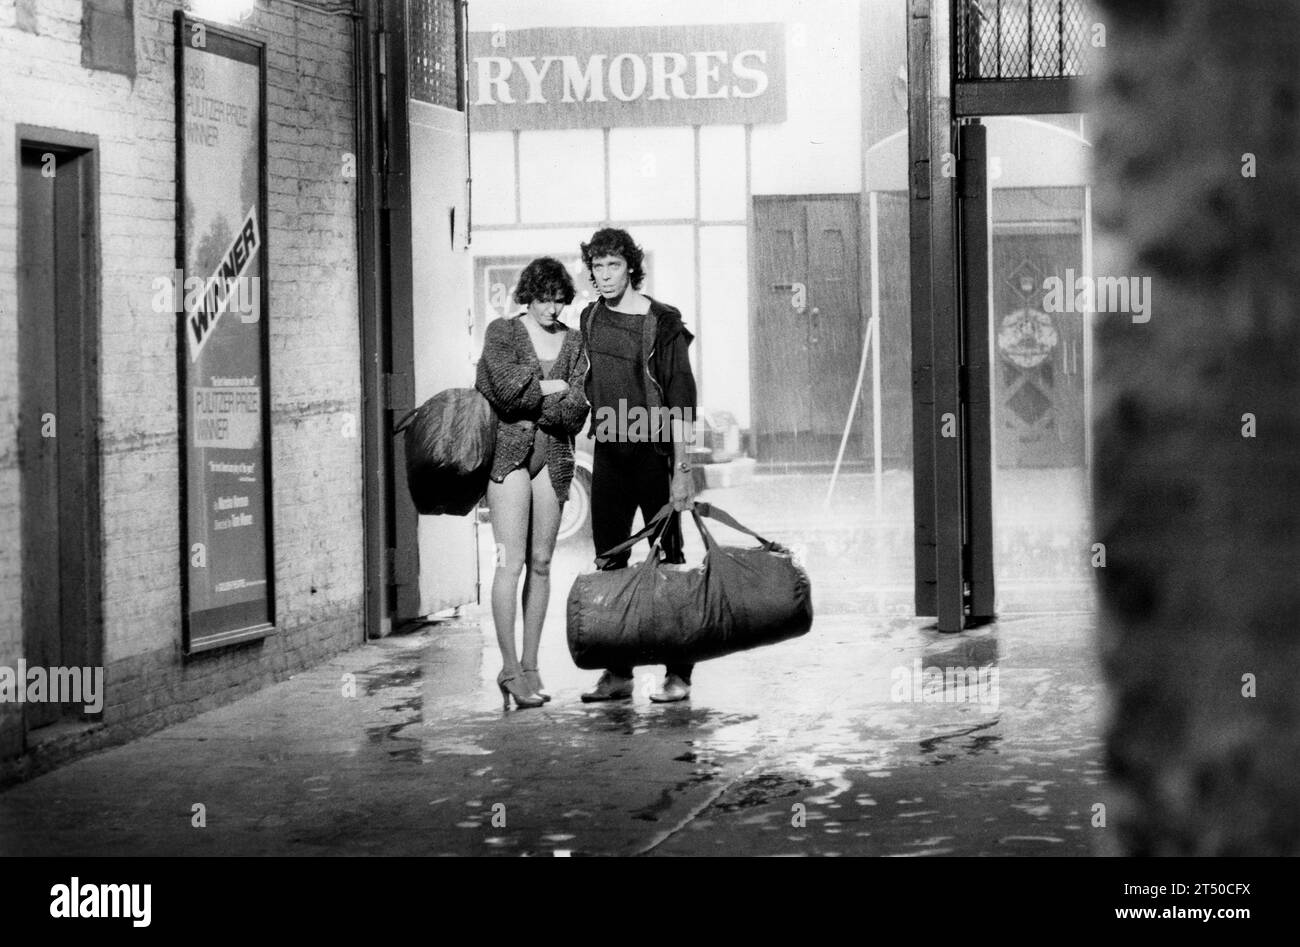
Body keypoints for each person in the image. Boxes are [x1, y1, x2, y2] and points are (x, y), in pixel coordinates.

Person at [576, 228, 699, 704]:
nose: (603, 276)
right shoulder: (589, 319)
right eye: (597, 267)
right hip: (610, 452)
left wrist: (682, 468)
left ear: (630, 266)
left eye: (612, 266)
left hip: (654, 454)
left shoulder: (661, 321)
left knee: (669, 562)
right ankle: (618, 673)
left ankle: (679, 674)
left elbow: (682, 397)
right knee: (609, 562)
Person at [475, 257, 590, 709]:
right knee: (511, 562)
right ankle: (508, 668)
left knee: (542, 563)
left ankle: (532, 664)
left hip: (555, 457)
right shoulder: (502, 332)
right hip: (508, 456)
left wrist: (537, 394)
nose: (552, 309)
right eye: (544, 300)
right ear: (529, 295)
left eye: (560, 301)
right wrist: (552, 389)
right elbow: (502, 391)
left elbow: (576, 408)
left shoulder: (574, 340)